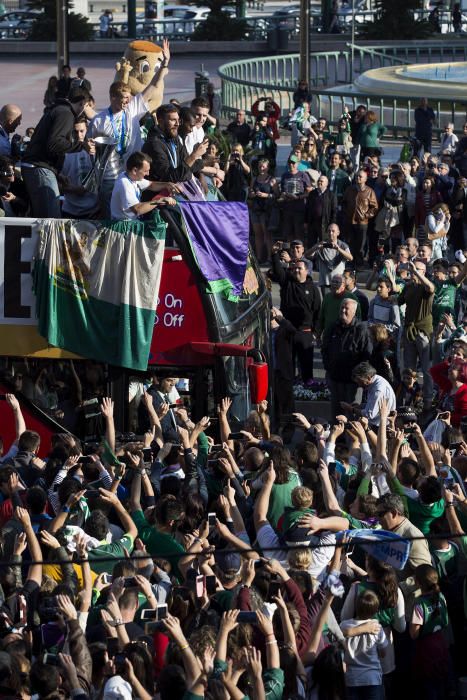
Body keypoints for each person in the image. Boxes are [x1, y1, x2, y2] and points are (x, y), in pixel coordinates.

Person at [21, 86, 91, 218]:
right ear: (82, 103)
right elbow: (54, 144)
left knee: (44, 219)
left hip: (37, 167)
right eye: (86, 106)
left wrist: (57, 174)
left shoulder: (58, 109)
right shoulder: (66, 113)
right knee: (51, 222)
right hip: (39, 168)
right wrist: (81, 146)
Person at [271, 246, 321, 385]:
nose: (296, 270)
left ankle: (307, 391)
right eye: (294, 268)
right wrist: (275, 255)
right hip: (287, 331)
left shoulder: (313, 289)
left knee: (306, 367)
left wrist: (315, 332)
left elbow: (317, 311)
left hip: (305, 333)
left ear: (307, 271)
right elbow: (278, 271)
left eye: (299, 268)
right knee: (288, 366)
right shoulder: (287, 283)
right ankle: (289, 389)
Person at [322, 297, 372, 419]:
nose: (343, 310)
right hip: (335, 378)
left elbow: (367, 355)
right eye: (342, 308)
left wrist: (359, 377)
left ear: (354, 312)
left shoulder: (361, 330)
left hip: (353, 383)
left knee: (352, 415)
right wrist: (328, 368)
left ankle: (352, 438)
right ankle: (336, 438)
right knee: (336, 415)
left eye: (346, 308)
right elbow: (324, 349)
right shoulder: (333, 327)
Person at [398, 259, 435, 411]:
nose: (414, 271)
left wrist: (416, 273)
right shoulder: (408, 287)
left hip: (423, 333)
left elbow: (431, 287)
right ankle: (409, 400)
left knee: (427, 371)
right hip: (409, 331)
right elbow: (398, 300)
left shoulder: (425, 288)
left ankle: (427, 401)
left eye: (418, 269)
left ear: (424, 272)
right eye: (413, 269)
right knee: (408, 369)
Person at [340, 588, 388, 700]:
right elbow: (383, 653)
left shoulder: (344, 626)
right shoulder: (377, 627)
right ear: (375, 611)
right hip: (373, 679)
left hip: (352, 679)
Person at [110, 151, 176, 221]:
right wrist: (160, 201)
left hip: (133, 221)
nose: (148, 174)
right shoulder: (124, 184)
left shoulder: (131, 176)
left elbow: (151, 185)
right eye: (145, 171)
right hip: (123, 226)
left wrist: (167, 185)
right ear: (135, 170)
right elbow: (138, 209)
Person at [59, 118, 100, 219]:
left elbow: (101, 179)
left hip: (93, 210)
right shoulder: (62, 153)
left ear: (87, 130)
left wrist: (86, 188)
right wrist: (71, 189)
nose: (78, 135)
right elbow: (57, 183)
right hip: (70, 210)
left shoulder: (94, 151)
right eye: (75, 132)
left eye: (82, 131)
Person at [342, 169, 379, 268]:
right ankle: (350, 262)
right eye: (357, 176)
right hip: (350, 221)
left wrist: (366, 215)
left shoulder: (369, 191)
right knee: (350, 243)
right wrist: (346, 213)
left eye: (360, 176)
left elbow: (374, 207)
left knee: (361, 245)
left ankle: (360, 263)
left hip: (362, 222)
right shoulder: (349, 189)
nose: (358, 178)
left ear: (365, 179)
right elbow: (344, 203)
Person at [343, 361, 397, 426]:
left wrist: (351, 409)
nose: (359, 385)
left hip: (378, 427)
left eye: (360, 381)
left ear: (368, 377)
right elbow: (375, 405)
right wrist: (360, 406)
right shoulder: (376, 380)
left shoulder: (377, 390)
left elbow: (369, 414)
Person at [307, 223, 353, 296]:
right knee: (327, 303)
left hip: (339, 283)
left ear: (338, 233)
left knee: (339, 304)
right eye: (329, 231)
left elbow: (350, 258)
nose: (330, 233)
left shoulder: (342, 245)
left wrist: (338, 249)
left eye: (333, 231)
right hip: (325, 283)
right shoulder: (321, 244)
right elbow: (307, 255)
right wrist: (316, 248)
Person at [278, 155, 313, 240]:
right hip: (287, 208)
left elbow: (309, 191)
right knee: (288, 234)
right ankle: (289, 252)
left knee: (299, 234)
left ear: (297, 164)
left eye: (293, 163)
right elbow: (282, 190)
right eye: (290, 163)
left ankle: (300, 252)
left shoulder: (303, 175)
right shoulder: (284, 175)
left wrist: (298, 197)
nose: (291, 165)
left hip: (299, 209)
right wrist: (283, 196)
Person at [249, 157, 276, 262]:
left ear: (267, 168)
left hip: (266, 210)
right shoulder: (254, 179)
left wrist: (266, 195)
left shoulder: (271, 179)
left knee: (267, 235)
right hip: (256, 209)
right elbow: (250, 192)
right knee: (258, 234)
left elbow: (276, 195)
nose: (261, 168)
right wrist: (251, 194)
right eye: (260, 166)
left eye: (263, 166)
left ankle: (270, 257)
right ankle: (259, 257)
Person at [304, 175, 338, 247]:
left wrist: (332, 224)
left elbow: (334, 211)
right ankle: (312, 258)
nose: (320, 182)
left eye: (322, 181)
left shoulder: (331, 195)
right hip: (312, 223)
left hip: (325, 224)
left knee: (324, 244)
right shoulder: (312, 194)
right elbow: (307, 208)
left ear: (326, 183)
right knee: (311, 244)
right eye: (318, 181)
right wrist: (306, 221)